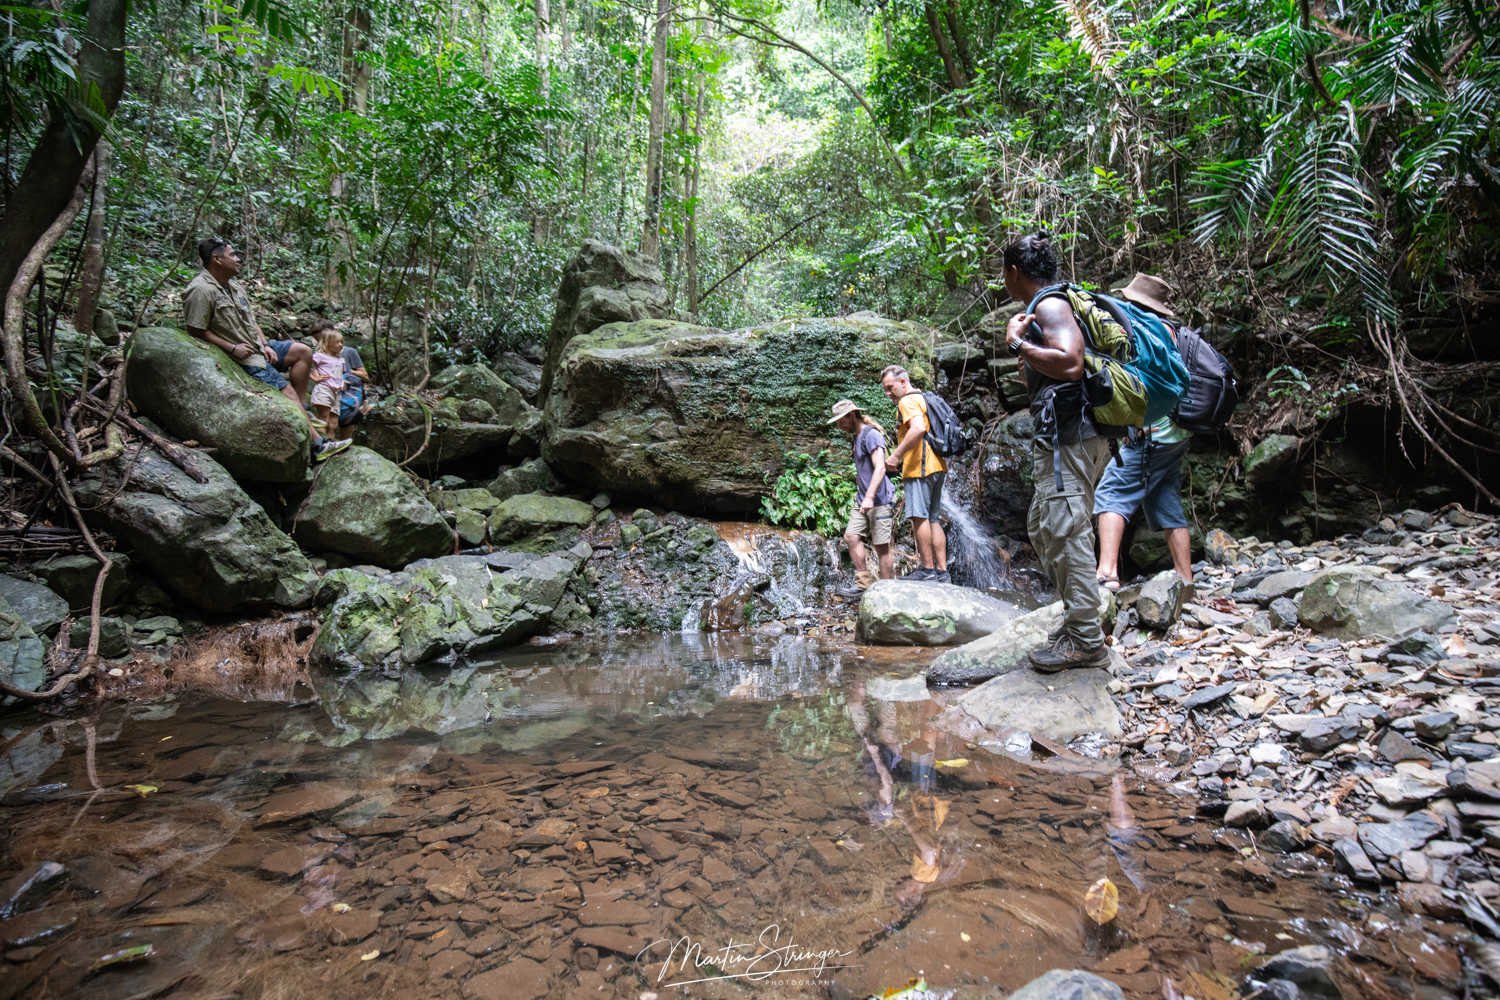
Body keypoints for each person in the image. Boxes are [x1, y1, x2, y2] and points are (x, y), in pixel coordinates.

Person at [1001, 231, 1110, 671]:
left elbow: (1070, 362)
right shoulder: (1054, 302)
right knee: (1044, 526)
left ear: (1014, 272)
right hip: (1071, 435)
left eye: (1003, 273)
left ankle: (1087, 642)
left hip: (1071, 436)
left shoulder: (1048, 305)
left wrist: (1017, 345)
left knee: (1064, 530)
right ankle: (1077, 620)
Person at [183, 237, 349, 459]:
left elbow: (251, 321)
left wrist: (264, 344)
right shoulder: (201, 289)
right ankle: (317, 445)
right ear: (218, 259)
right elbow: (196, 330)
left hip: (257, 346)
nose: (238, 259)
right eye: (232, 255)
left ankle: (302, 409)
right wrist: (232, 348)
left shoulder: (235, 286)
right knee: (286, 391)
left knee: (302, 352)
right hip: (241, 356)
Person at [1093, 273, 1194, 592]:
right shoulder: (1172, 332)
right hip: (1178, 432)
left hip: (1153, 433)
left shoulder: (1140, 331)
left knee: (1110, 492)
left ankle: (1106, 574)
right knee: (1165, 499)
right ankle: (1185, 578)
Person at [880, 365, 949, 583]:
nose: (888, 393)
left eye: (890, 387)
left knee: (919, 517)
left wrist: (895, 457)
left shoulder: (907, 400)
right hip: (937, 465)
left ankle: (927, 569)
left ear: (903, 382)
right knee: (933, 519)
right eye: (885, 389)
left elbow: (918, 428)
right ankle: (942, 571)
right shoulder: (924, 397)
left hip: (920, 466)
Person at [828, 399, 895, 596]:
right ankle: (863, 584)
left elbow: (881, 467)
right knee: (851, 536)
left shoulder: (871, 435)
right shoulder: (857, 437)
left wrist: (869, 497)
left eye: (841, 421)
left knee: (882, 547)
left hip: (879, 500)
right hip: (863, 499)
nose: (839, 426)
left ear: (851, 415)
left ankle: (886, 591)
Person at [310, 318, 372, 440]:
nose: (320, 342)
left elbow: (365, 376)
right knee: (326, 421)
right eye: (317, 339)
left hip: (349, 394)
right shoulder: (318, 354)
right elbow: (310, 367)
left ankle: (343, 449)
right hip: (328, 391)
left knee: (345, 424)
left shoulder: (349, 352)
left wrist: (348, 371)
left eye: (322, 338)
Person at [308, 326, 347, 443]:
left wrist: (343, 382)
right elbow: (308, 364)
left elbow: (341, 373)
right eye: (337, 342)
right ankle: (321, 443)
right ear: (327, 343)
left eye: (342, 342)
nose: (340, 345)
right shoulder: (320, 356)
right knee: (323, 418)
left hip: (337, 392)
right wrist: (314, 377)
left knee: (334, 423)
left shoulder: (340, 359)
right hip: (324, 389)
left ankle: (331, 443)